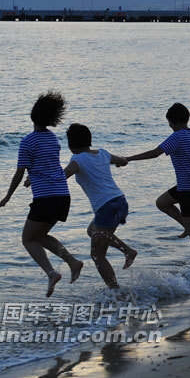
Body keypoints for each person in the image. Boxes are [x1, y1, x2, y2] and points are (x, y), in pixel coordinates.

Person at [0, 91, 83, 297]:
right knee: (40, 235)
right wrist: (31, 178)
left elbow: (19, 171)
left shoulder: (28, 141)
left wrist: (8, 196)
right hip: (62, 195)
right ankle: (72, 262)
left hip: (46, 198)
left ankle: (53, 272)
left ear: (33, 115)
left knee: (28, 239)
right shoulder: (53, 139)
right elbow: (47, 165)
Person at [124, 103, 190, 276]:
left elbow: (155, 153)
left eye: (169, 123)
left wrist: (129, 158)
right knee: (162, 202)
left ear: (172, 122)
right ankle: (186, 226)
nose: (169, 126)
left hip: (189, 189)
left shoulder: (177, 137)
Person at [64, 123, 138, 289]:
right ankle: (125, 252)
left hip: (107, 207)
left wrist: (38, 178)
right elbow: (122, 161)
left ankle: (116, 287)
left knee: (97, 254)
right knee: (92, 231)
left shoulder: (77, 160)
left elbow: (61, 176)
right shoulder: (103, 153)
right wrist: (120, 162)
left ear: (71, 144)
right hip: (120, 201)